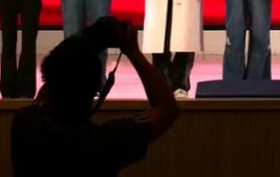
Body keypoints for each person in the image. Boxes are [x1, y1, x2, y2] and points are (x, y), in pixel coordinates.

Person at [10, 17, 178, 176]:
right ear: (97, 87)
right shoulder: (106, 141)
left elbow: (53, 84)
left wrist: (85, 45)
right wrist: (134, 52)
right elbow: (167, 108)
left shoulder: (25, 123)